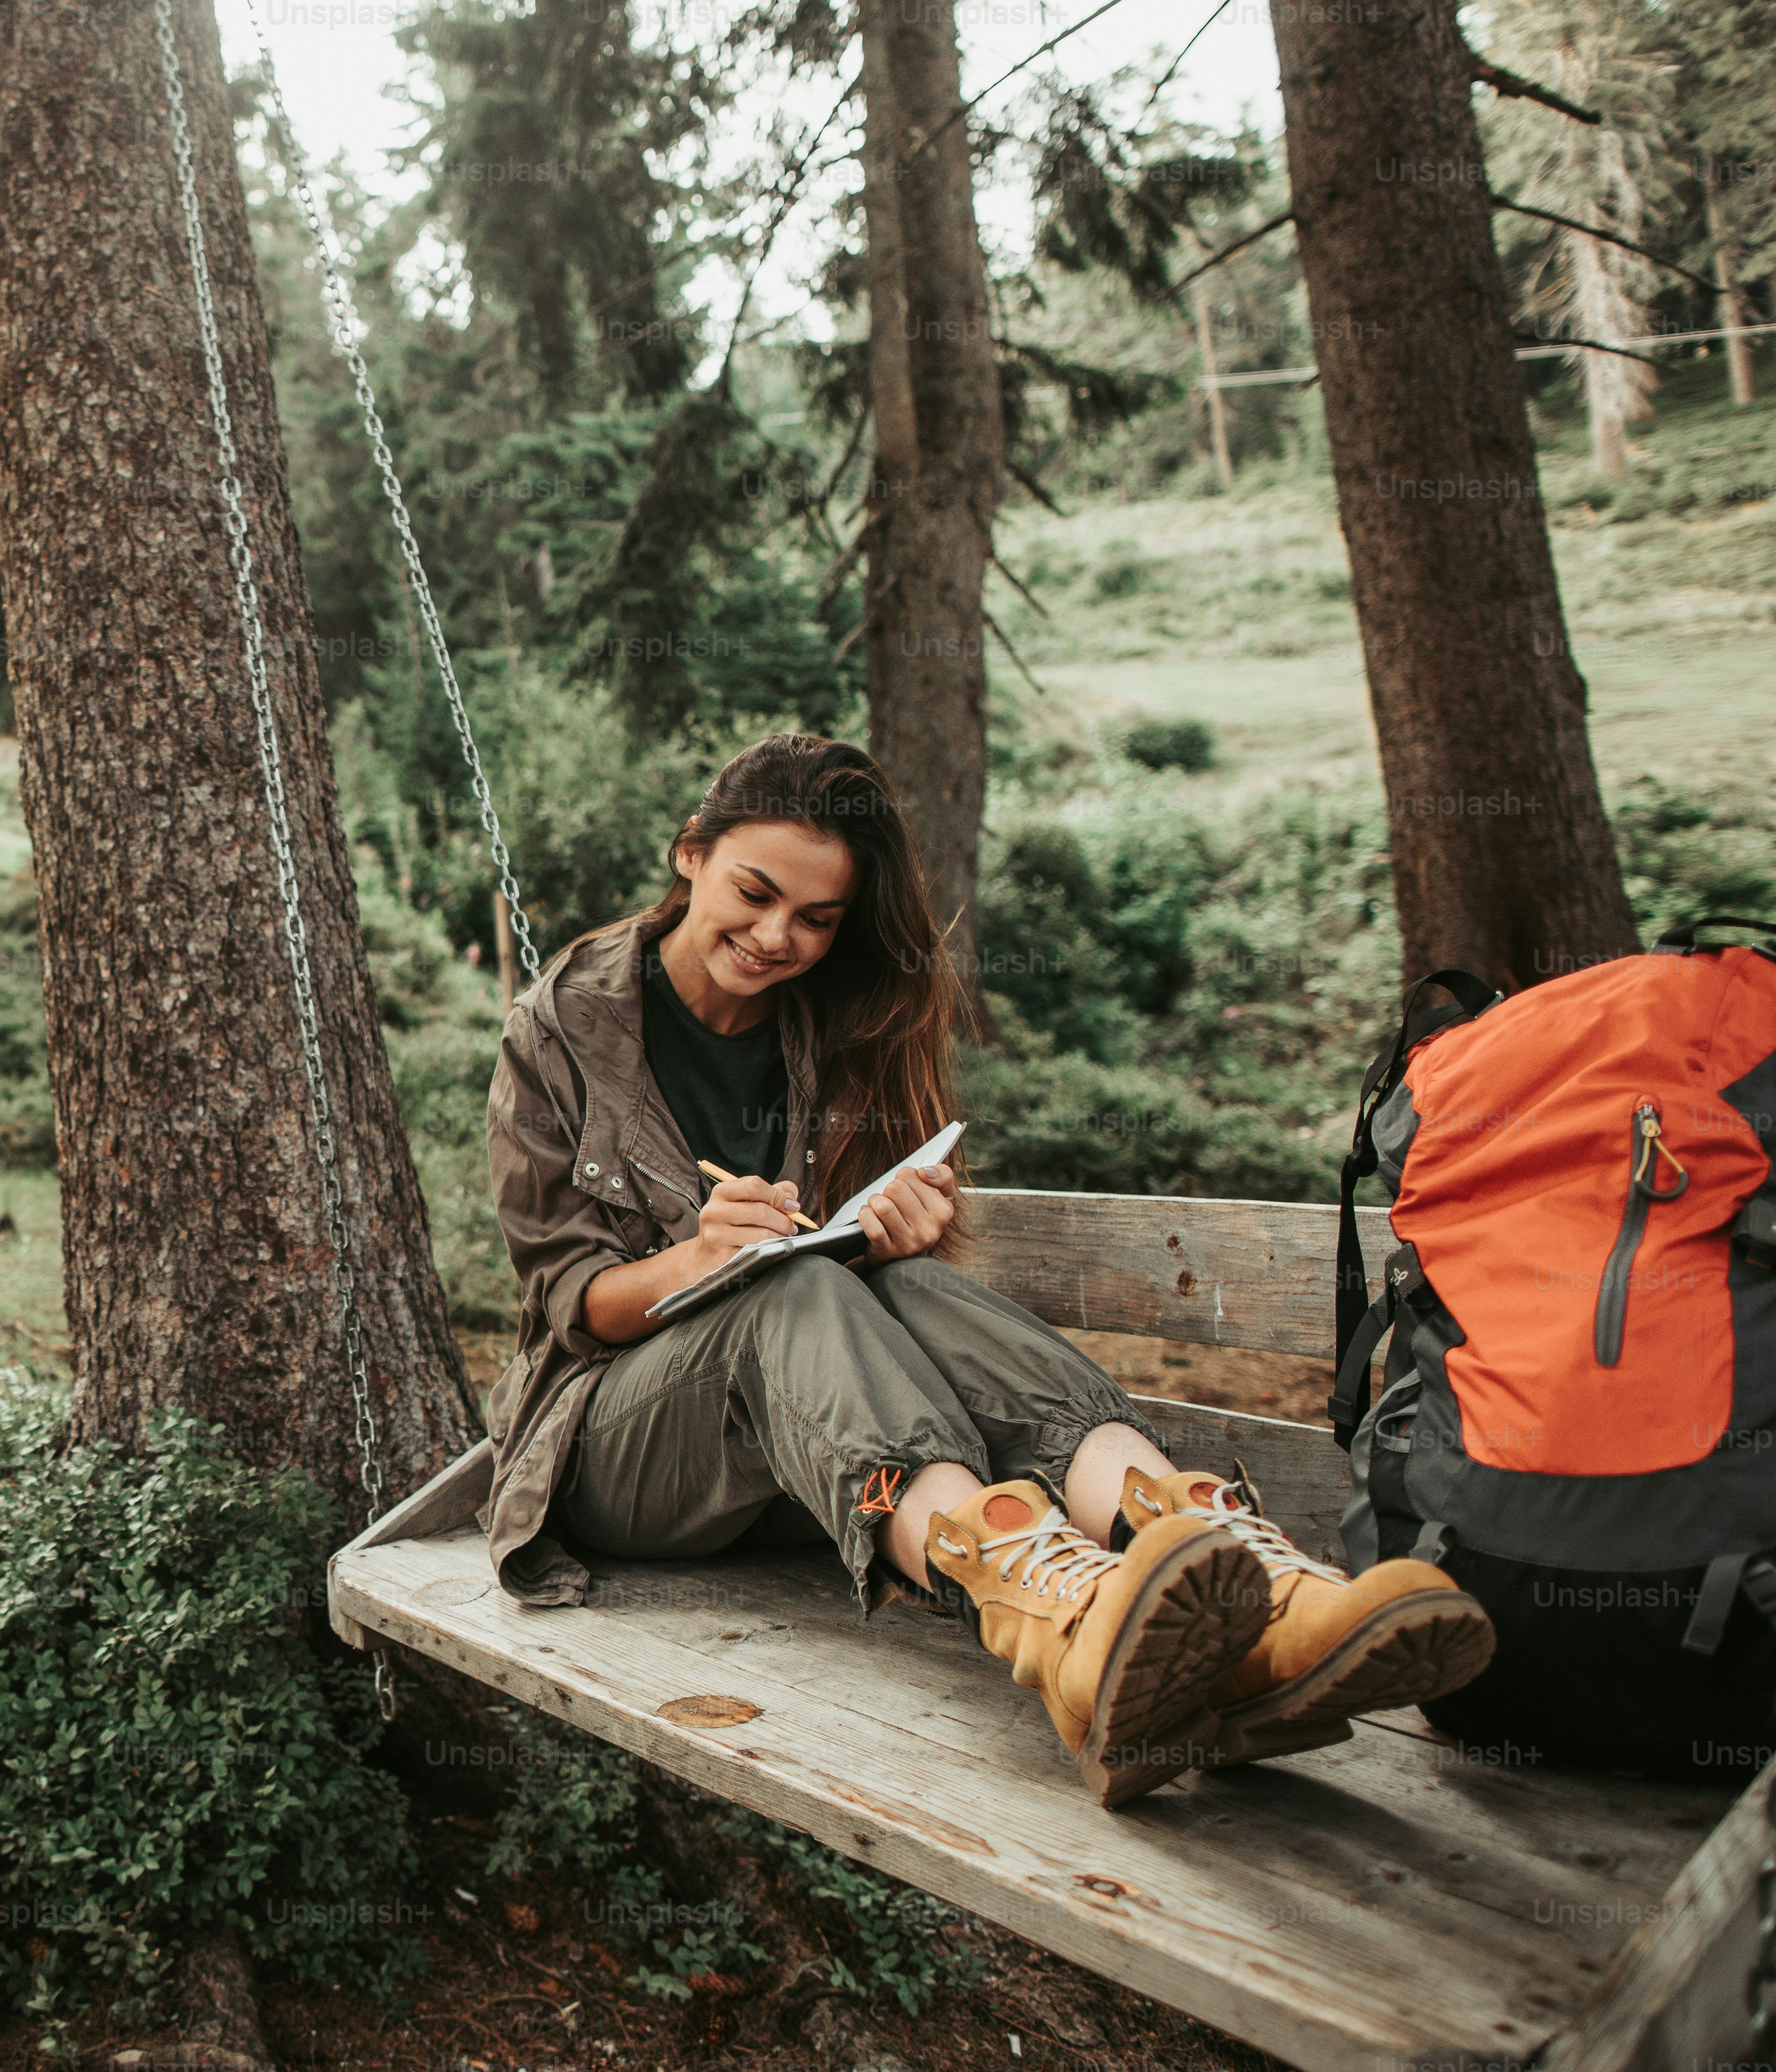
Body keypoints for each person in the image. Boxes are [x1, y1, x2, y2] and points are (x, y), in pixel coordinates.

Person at [479, 733, 1495, 1804]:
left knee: (894, 1283)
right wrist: (699, 1255)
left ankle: (1245, 1582)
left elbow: (849, 1283)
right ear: (691, 854)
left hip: (814, 1452)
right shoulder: (563, 1028)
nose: (779, 936)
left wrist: (884, 1224)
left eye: (818, 918)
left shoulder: (841, 1022)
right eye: (755, 891)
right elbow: (571, 1304)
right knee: (784, 1284)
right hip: (611, 1448)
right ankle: (1058, 1619)